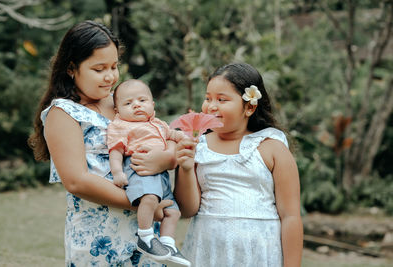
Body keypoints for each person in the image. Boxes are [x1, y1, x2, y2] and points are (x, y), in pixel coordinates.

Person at [28, 20, 176, 266]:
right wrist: (142, 203)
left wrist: (168, 156)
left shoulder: (121, 102)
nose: (110, 77)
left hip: (145, 232)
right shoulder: (63, 113)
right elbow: (77, 181)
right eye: (99, 69)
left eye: (114, 66)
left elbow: (159, 129)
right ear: (72, 68)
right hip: (99, 239)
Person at [174, 63, 303, 267]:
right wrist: (187, 168)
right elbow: (188, 209)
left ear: (249, 107)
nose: (211, 106)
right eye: (208, 98)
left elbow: (290, 216)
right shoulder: (197, 146)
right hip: (208, 252)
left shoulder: (272, 148)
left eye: (222, 99)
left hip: (260, 252)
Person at [107, 79, 190, 266]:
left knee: (172, 211)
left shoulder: (159, 124)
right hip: (139, 170)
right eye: (128, 103)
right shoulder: (121, 125)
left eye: (142, 101)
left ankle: (168, 244)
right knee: (150, 199)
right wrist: (118, 172)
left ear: (152, 105)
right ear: (117, 111)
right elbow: (115, 151)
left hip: (161, 176)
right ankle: (145, 236)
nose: (136, 105)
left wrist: (184, 137)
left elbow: (172, 135)